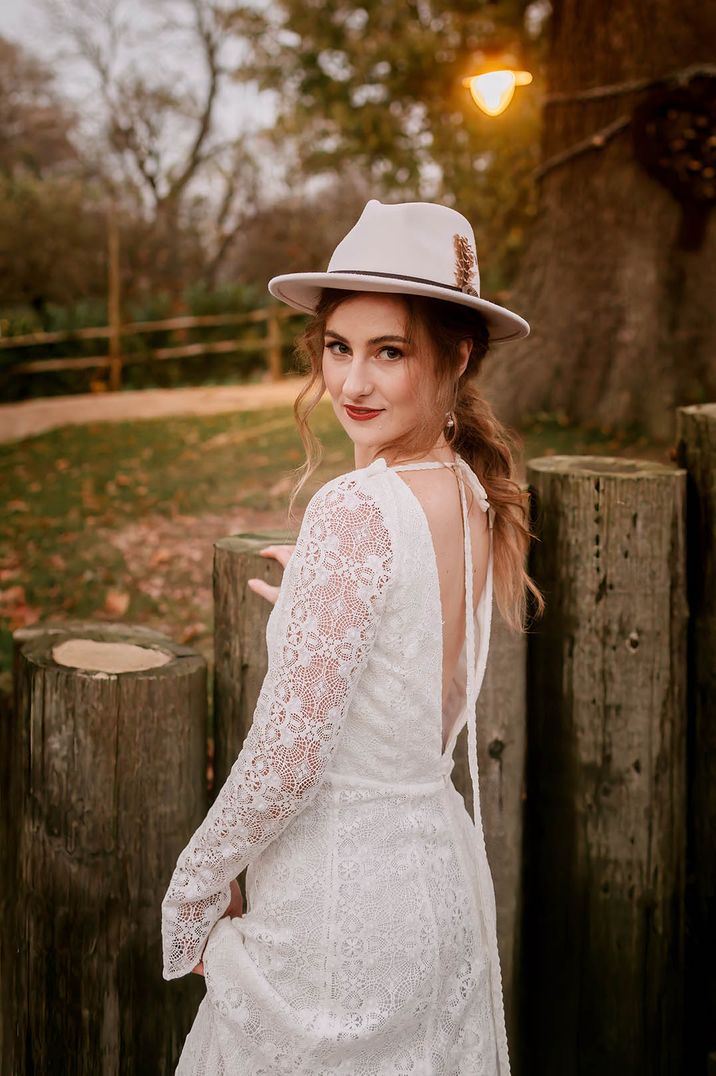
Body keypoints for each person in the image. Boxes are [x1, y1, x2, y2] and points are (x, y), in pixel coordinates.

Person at [161, 199, 544, 1074]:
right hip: (436, 884)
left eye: (390, 352)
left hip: (338, 910)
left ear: (458, 355)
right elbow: (424, 685)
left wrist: (193, 886)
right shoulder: (473, 491)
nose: (353, 384)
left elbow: (288, 759)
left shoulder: (355, 511)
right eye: (339, 347)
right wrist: (323, 600)